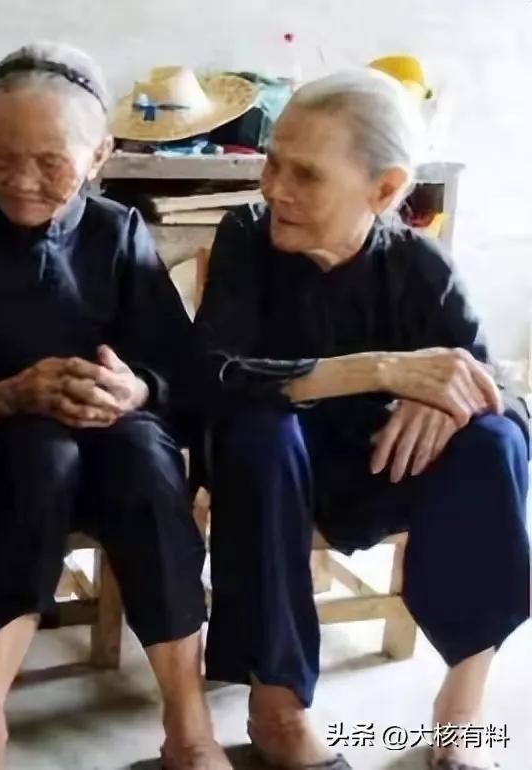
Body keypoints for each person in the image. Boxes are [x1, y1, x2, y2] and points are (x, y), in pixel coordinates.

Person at [0, 42, 231, 770]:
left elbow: (183, 377)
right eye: (2, 157)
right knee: (40, 451)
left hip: (110, 462)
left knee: (142, 452)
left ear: (99, 156)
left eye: (51, 163)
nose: (22, 180)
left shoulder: (118, 233)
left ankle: (188, 725)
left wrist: (136, 389)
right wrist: (4, 394)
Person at [194, 69, 530, 770]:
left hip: (379, 467)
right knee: (258, 428)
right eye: (273, 163)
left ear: (383, 190)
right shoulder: (245, 239)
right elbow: (212, 375)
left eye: (306, 175)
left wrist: (446, 399)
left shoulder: (420, 267)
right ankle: (277, 710)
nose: (274, 188)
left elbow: (496, 386)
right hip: (270, 475)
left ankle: (461, 708)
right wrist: (379, 370)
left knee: (494, 437)